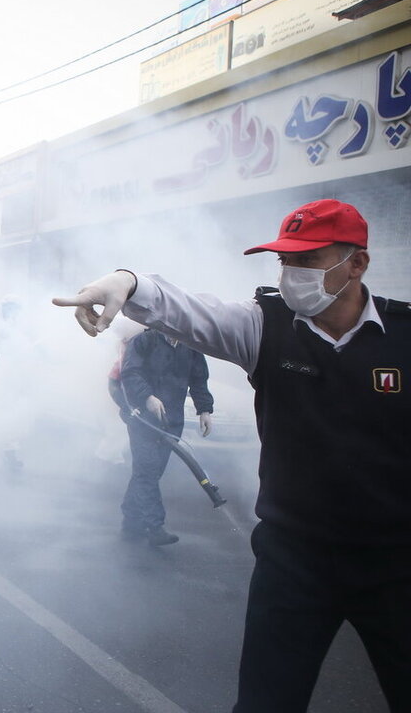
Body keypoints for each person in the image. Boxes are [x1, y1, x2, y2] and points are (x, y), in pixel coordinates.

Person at [53, 199, 410, 712]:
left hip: (397, 564)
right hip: (294, 561)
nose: (291, 275)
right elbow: (187, 312)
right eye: (284, 261)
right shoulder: (264, 325)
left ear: (356, 264)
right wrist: (127, 282)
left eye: (307, 261)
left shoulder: (404, 336)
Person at [116, 328, 213, 546]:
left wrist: (205, 410)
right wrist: (147, 397)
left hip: (172, 419)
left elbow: (199, 379)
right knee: (147, 468)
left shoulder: (191, 346)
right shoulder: (145, 340)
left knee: (150, 471)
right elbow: (130, 373)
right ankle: (155, 527)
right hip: (142, 417)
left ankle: (131, 519)